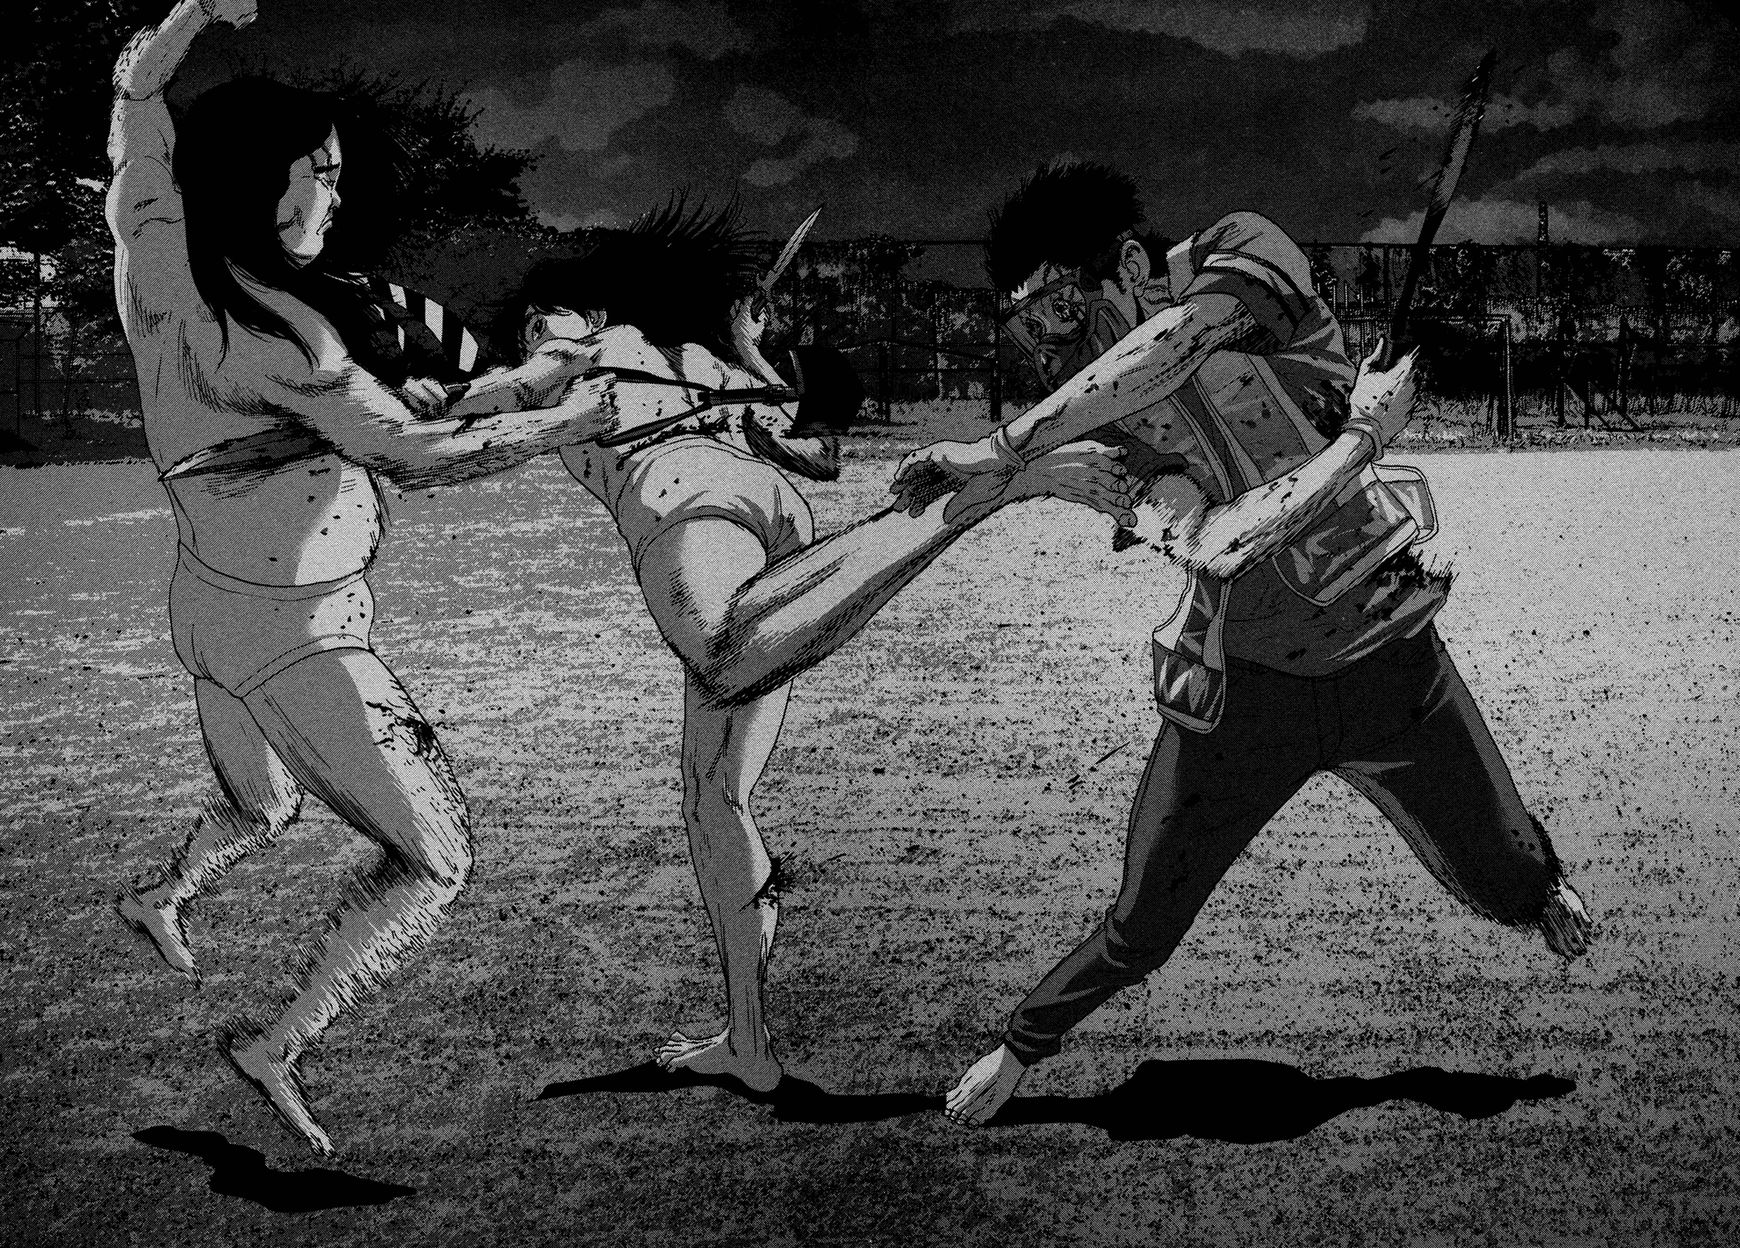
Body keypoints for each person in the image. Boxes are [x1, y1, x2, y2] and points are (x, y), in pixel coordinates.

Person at [904, 161, 1596, 1126]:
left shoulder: (1239, 250)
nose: (1062, 346)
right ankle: (1020, 1049)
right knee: (1142, 923)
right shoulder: (1103, 417)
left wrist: (1002, 447)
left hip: (1390, 662)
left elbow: (1172, 345)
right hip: (1246, 693)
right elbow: (1218, 542)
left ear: (1129, 267)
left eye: (1063, 309)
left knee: (1511, 866)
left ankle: (1542, 891)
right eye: (1035, 327)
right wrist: (1360, 440)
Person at [107, 0, 618, 1155]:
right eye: (321, 176)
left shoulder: (156, 254)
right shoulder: (287, 341)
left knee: (263, 805)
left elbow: (138, 91)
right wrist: (561, 414)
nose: (334, 199)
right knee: (437, 859)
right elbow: (417, 454)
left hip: (209, 608)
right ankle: (277, 1044)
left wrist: (195, 13)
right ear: (265, 184)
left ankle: (158, 896)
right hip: (294, 636)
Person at [506, 201, 1136, 1094]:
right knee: (713, 796)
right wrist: (747, 347)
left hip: (692, 514)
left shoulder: (584, 355)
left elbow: (485, 406)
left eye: (546, 316)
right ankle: (748, 1044)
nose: (535, 334)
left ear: (596, 311)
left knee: (722, 652)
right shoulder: (705, 361)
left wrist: (435, 408)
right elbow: (816, 454)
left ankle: (988, 492)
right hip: (771, 517)